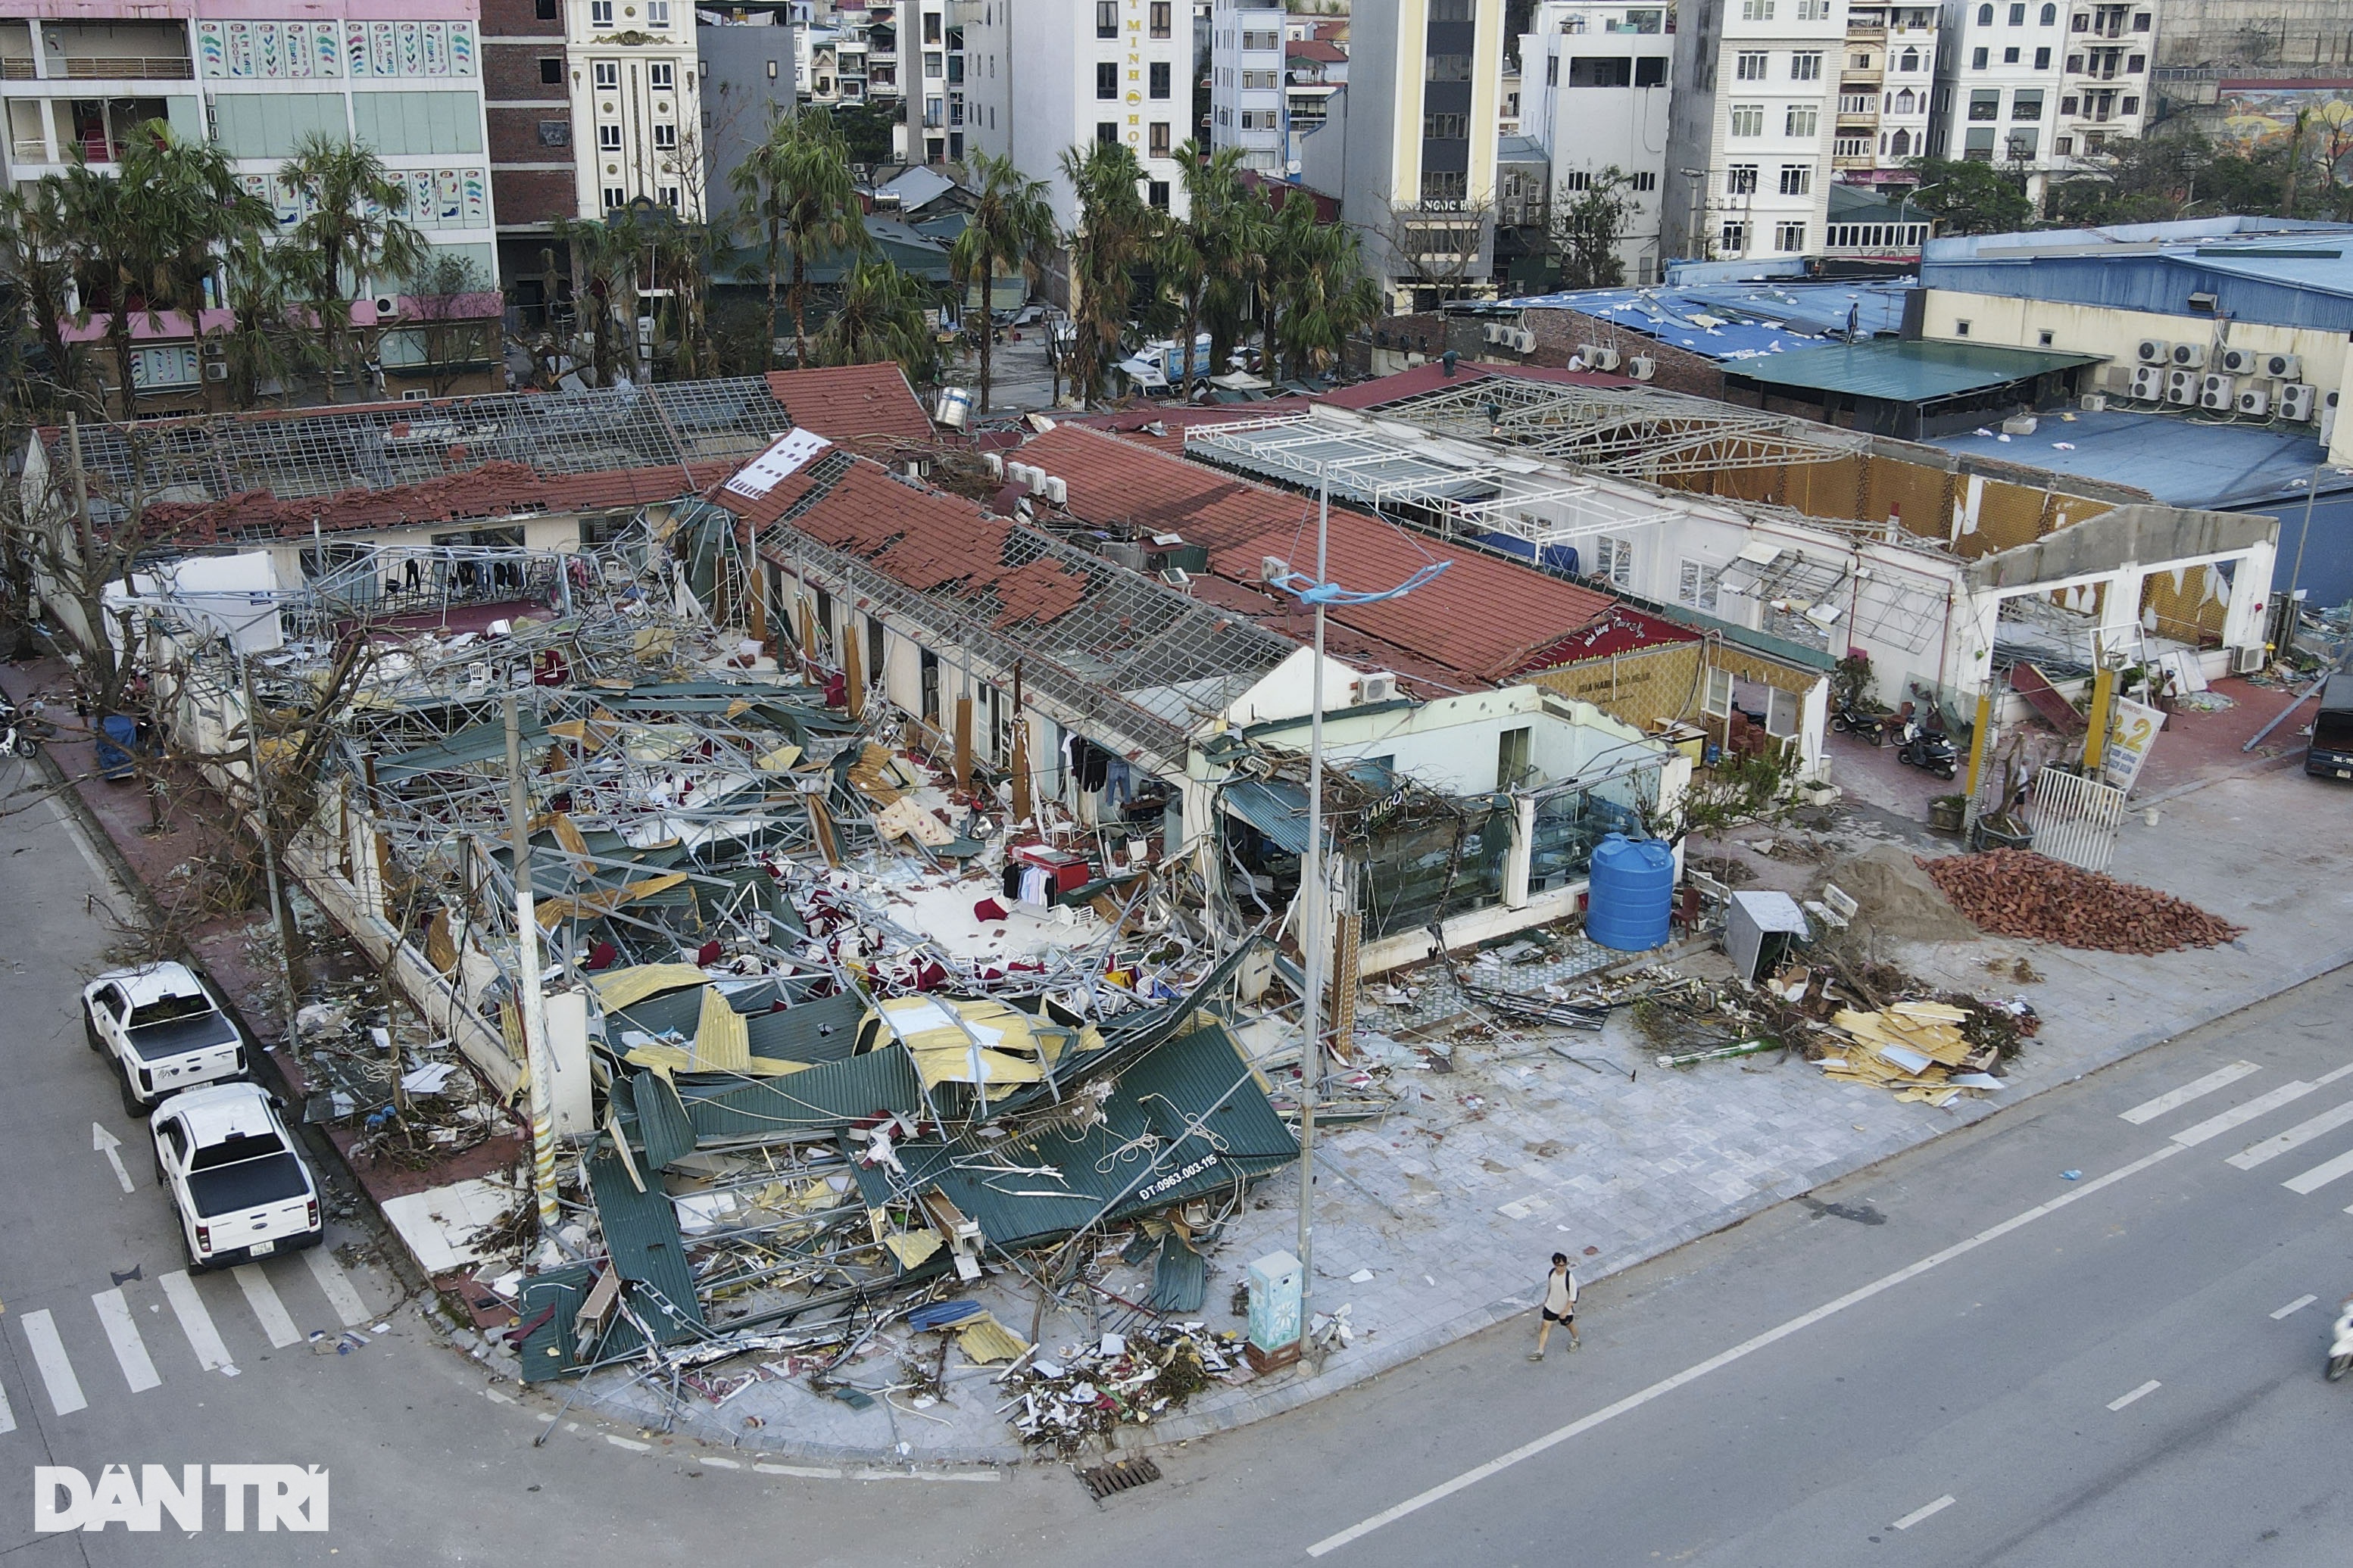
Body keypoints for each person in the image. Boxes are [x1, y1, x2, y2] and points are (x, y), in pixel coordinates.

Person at [1530, 1252, 1579, 1361]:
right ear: (1554, 1265)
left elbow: (1573, 1298)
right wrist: (1547, 1299)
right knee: (1545, 1326)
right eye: (1558, 1265)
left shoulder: (1570, 1279)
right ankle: (1540, 1351)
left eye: (1563, 1265)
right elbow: (1551, 1287)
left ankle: (1576, 1339)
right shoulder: (1552, 1273)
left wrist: (1565, 1311)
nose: (1561, 1268)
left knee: (1569, 1325)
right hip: (1551, 1306)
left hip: (1564, 1309)